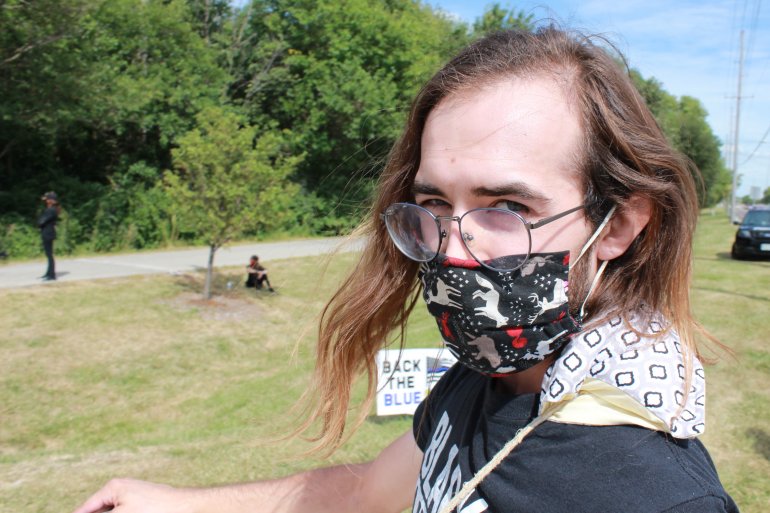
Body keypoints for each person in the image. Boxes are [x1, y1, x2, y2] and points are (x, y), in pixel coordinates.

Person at [73, 27, 739, 513]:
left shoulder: (653, 494)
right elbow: (369, 491)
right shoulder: (487, 378)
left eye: (508, 207)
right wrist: (175, 501)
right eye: (434, 205)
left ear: (617, 226)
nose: (451, 250)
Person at [38, 191, 59, 281]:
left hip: (48, 233)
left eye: (47, 199)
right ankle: (48, 273)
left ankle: (52, 275)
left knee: (49, 254)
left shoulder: (51, 210)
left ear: (51, 200)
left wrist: (39, 222)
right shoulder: (50, 209)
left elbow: (41, 221)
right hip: (47, 232)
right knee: (48, 254)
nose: (45, 201)